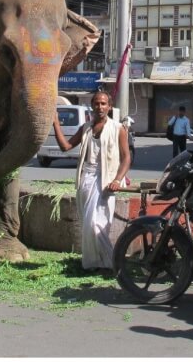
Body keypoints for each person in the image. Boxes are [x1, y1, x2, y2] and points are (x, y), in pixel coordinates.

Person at [52, 92, 130, 271]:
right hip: (86, 179)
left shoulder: (118, 128)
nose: (100, 107)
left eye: (103, 104)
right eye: (96, 103)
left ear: (109, 106)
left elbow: (126, 158)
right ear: (92, 106)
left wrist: (117, 180)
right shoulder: (86, 127)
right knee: (88, 224)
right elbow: (65, 147)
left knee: (99, 224)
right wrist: (56, 123)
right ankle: (93, 263)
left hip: (106, 181)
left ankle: (112, 263)